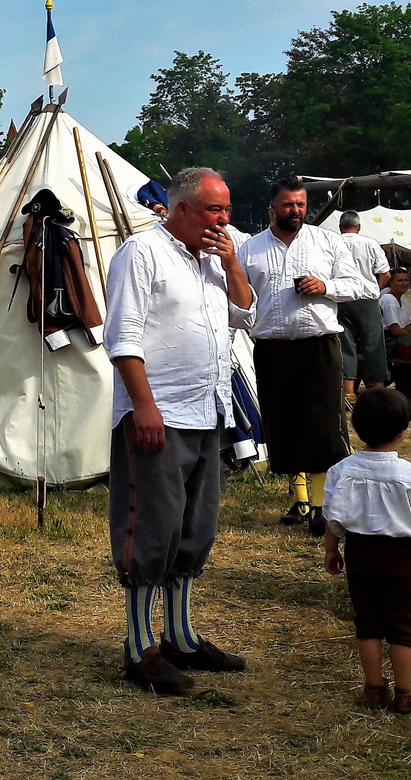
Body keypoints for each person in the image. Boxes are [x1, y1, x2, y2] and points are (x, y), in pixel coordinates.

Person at [104, 167, 255, 695]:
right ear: (182, 208)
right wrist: (143, 407)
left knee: (195, 529)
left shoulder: (212, 260)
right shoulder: (141, 253)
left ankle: (181, 637)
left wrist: (232, 262)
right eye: (215, 209)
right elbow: (121, 336)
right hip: (160, 413)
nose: (224, 220)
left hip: (208, 410)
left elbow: (244, 315)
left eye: (228, 210)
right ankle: (139, 646)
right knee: (152, 527)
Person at [237, 179, 370, 535]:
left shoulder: (327, 241)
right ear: (272, 208)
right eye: (288, 205)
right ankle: (300, 501)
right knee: (284, 424)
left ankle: (324, 507)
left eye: (300, 204)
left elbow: (361, 285)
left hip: (318, 345)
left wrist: (326, 287)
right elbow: (238, 299)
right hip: (272, 348)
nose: (295, 211)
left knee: (323, 425)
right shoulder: (249, 249)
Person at [322, 387, 411, 715]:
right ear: (404, 432)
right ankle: (405, 694)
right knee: (403, 626)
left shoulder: (341, 471)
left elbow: (334, 516)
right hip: (401, 558)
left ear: (356, 428)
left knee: (369, 622)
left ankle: (374, 689)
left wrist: (331, 550)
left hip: (360, 553)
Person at [334, 212, 391, 394]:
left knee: (345, 346)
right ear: (358, 227)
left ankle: (349, 392)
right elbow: (385, 274)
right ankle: (378, 389)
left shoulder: (332, 243)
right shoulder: (370, 243)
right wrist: (375, 291)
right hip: (367, 300)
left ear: (340, 227)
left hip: (342, 300)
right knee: (373, 344)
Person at [381, 269, 411, 361]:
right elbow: (395, 330)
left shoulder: (401, 298)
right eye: (400, 281)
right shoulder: (389, 300)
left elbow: (404, 325)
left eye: (406, 280)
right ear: (391, 282)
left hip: (398, 337)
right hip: (389, 341)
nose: (404, 284)